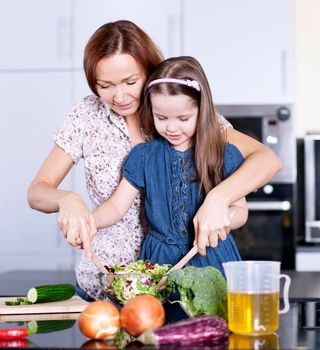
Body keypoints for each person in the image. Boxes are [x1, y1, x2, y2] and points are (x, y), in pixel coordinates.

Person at [27, 20, 282, 301]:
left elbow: (266, 160)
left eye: (131, 82)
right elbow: (38, 191)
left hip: (183, 277)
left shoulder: (190, 113)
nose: (120, 96)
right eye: (105, 85)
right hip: (107, 284)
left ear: (150, 71)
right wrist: (68, 201)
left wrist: (219, 200)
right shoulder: (87, 116)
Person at [93, 56, 246, 275]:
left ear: (202, 112)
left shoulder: (224, 154)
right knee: (156, 311)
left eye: (183, 118)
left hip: (212, 258)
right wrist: (90, 222)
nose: (172, 128)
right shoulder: (144, 156)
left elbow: (241, 211)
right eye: (161, 117)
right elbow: (117, 206)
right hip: (160, 263)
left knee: (214, 310)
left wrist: (224, 217)